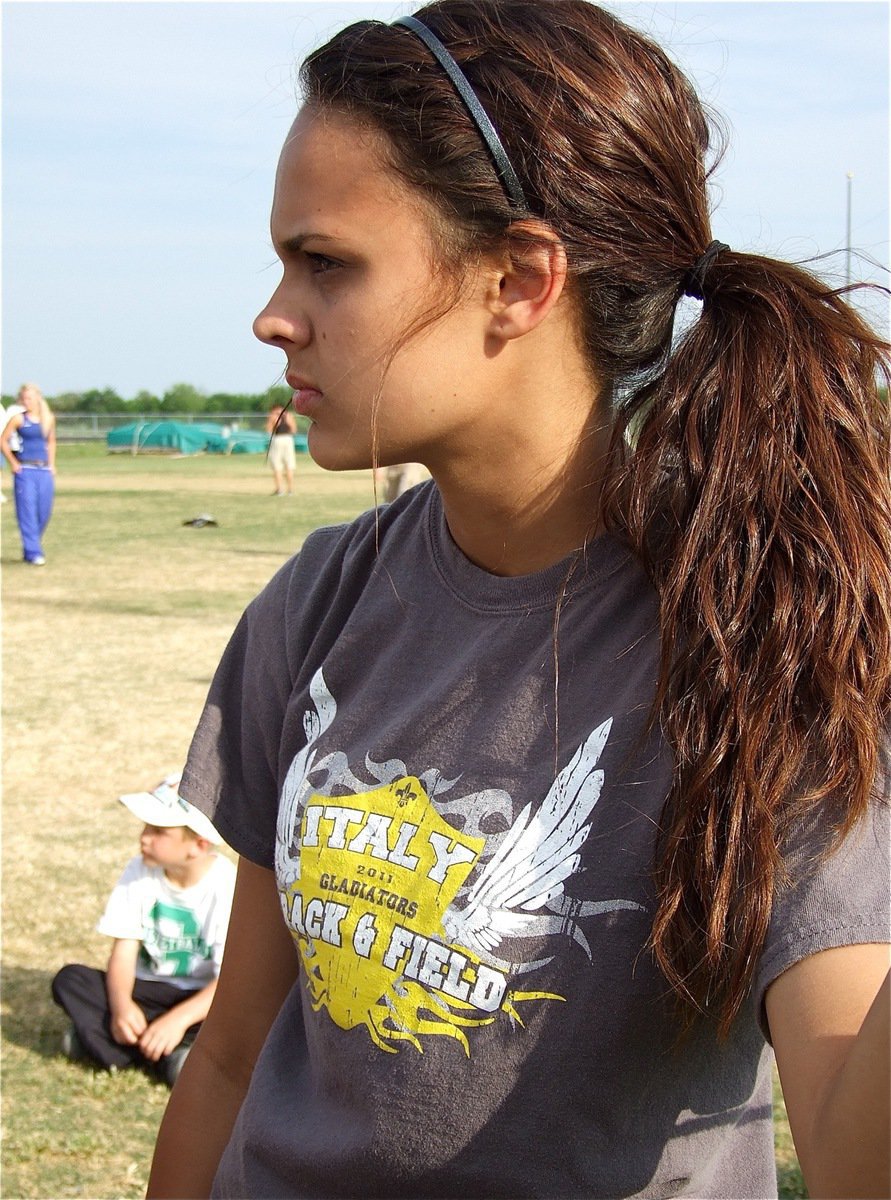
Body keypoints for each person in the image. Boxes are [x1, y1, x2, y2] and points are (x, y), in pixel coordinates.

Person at [148, 3, 891, 1197]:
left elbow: (853, 1154)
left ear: (521, 279)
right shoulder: (319, 602)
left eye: (325, 261)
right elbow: (232, 1059)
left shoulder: (758, 641)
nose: (272, 314)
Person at [51, 774, 236, 1087]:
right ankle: (168, 1056)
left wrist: (177, 1021)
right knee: (71, 980)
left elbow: (229, 980)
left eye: (159, 831)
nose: (144, 838)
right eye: (146, 827)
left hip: (200, 999)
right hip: (147, 989)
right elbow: (123, 951)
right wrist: (122, 1006)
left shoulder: (225, 885)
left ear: (198, 845)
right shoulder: (139, 870)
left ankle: (109, 1044)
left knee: (236, 1016)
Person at [0, 382, 56, 564]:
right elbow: (3, 441)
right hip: (25, 471)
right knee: (27, 511)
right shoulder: (18, 419)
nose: (27, 401)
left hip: (44, 470)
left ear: (38, 398)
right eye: (24, 398)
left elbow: (52, 442)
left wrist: (52, 464)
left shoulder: (48, 419)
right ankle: (34, 552)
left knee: (43, 511)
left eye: (30, 398)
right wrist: (14, 463)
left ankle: (31, 545)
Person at [265, 401, 298, 495]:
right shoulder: (288, 415)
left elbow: (269, 429)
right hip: (288, 439)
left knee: (277, 466)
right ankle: (290, 490)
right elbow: (294, 429)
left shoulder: (273, 415)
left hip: (278, 439)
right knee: (289, 465)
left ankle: (279, 489)